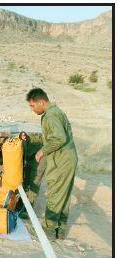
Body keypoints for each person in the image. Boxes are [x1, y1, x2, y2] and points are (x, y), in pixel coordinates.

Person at [26, 88, 78, 240]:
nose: (32, 109)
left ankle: (48, 230)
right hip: (68, 158)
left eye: (32, 106)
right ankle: (60, 230)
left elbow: (59, 138)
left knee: (55, 193)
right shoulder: (55, 112)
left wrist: (43, 151)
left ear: (41, 102)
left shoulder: (51, 115)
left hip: (61, 159)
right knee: (64, 194)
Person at [18, 131, 46, 219]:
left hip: (40, 157)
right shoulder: (18, 139)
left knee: (34, 183)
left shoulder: (39, 136)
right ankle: (22, 204)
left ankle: (28, 209)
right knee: (25, 181)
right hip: (28, 156)